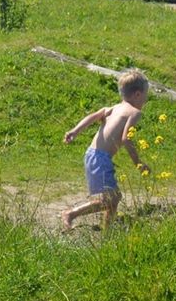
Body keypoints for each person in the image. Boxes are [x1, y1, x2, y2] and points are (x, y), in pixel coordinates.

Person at [61, 71, 151, 230]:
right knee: (111, 199)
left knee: (113, 198)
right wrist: (139, 163)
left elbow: (93, 116)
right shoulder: (135, 112)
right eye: (146, 95)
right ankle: (71, 214)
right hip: (100, 158)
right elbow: (126, 139)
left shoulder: (113, 108)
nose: (146, 99)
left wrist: (75, 131)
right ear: (138, 94)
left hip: (92, 154)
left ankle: (106, 228)